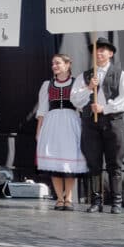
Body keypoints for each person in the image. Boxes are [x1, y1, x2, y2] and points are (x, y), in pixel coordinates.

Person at [70, 37, 124, 214]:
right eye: (96, 50)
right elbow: (75, 99)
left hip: (113, 123)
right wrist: (89, 88)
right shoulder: (85, 76)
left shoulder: (121, 75)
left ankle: (116, 202)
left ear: (110, 53)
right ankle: (96, 201)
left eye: (102, 50)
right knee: (94, 164)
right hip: (91, 124)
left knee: (115, 163)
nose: (98, 53)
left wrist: (105, 108)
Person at [36, 54, 87, 211]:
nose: (54, 66)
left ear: (67, 64)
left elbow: (81, 105)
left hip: (71, 123)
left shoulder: (76, 83)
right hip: (52, 123)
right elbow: (42, 110)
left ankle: (69, 198)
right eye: (53, 63)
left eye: (58, 63)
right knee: (54, 161)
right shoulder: (47, 85)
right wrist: (38, 131)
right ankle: (59, 198)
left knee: (69, 162)